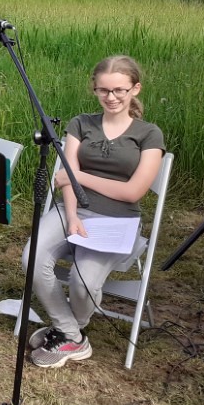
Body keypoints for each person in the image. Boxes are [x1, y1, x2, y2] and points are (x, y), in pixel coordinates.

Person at [26, 55, 164, 368]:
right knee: (32, 257)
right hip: (71, 209)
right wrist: (73, 216)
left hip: (117, 220)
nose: (111, 97)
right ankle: (71, 334)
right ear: (95, 89)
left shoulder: (149, 134)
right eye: (103, 90)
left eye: (119, 90)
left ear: (135, 89)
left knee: (83, 282)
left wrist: (79, 177)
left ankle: (67, 330)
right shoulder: (81, 123)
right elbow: (66, 180)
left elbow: (132, 192)